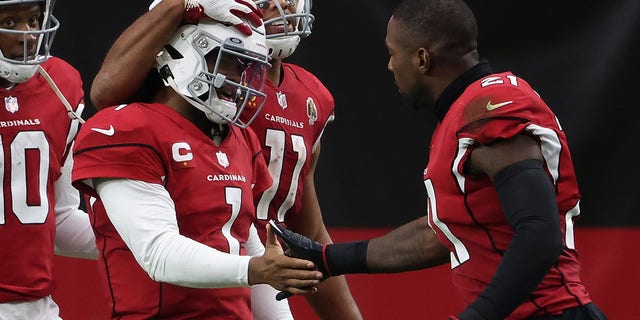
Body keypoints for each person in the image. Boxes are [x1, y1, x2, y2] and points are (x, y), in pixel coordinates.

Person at [269, 0, 609, 319]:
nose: (389, 65)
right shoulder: (463, 113)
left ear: (422, 59)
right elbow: (440, 233)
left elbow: (539, 232)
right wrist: (329, 259)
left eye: (392, 53)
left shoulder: (491, 105)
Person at [89, 0, 363, 319]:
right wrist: (257, 269)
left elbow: (246, 235)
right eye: (229, 60)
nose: (239, 81)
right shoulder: (130, 128)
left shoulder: (236, 135)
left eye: (247, 66)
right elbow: (160, 253)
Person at [0, 0, 98, 318]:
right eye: (10, 21)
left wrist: (144, 237)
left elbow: (62, 218)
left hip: (36, 307)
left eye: (34, 19)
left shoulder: (59, 85)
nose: (27, 35)